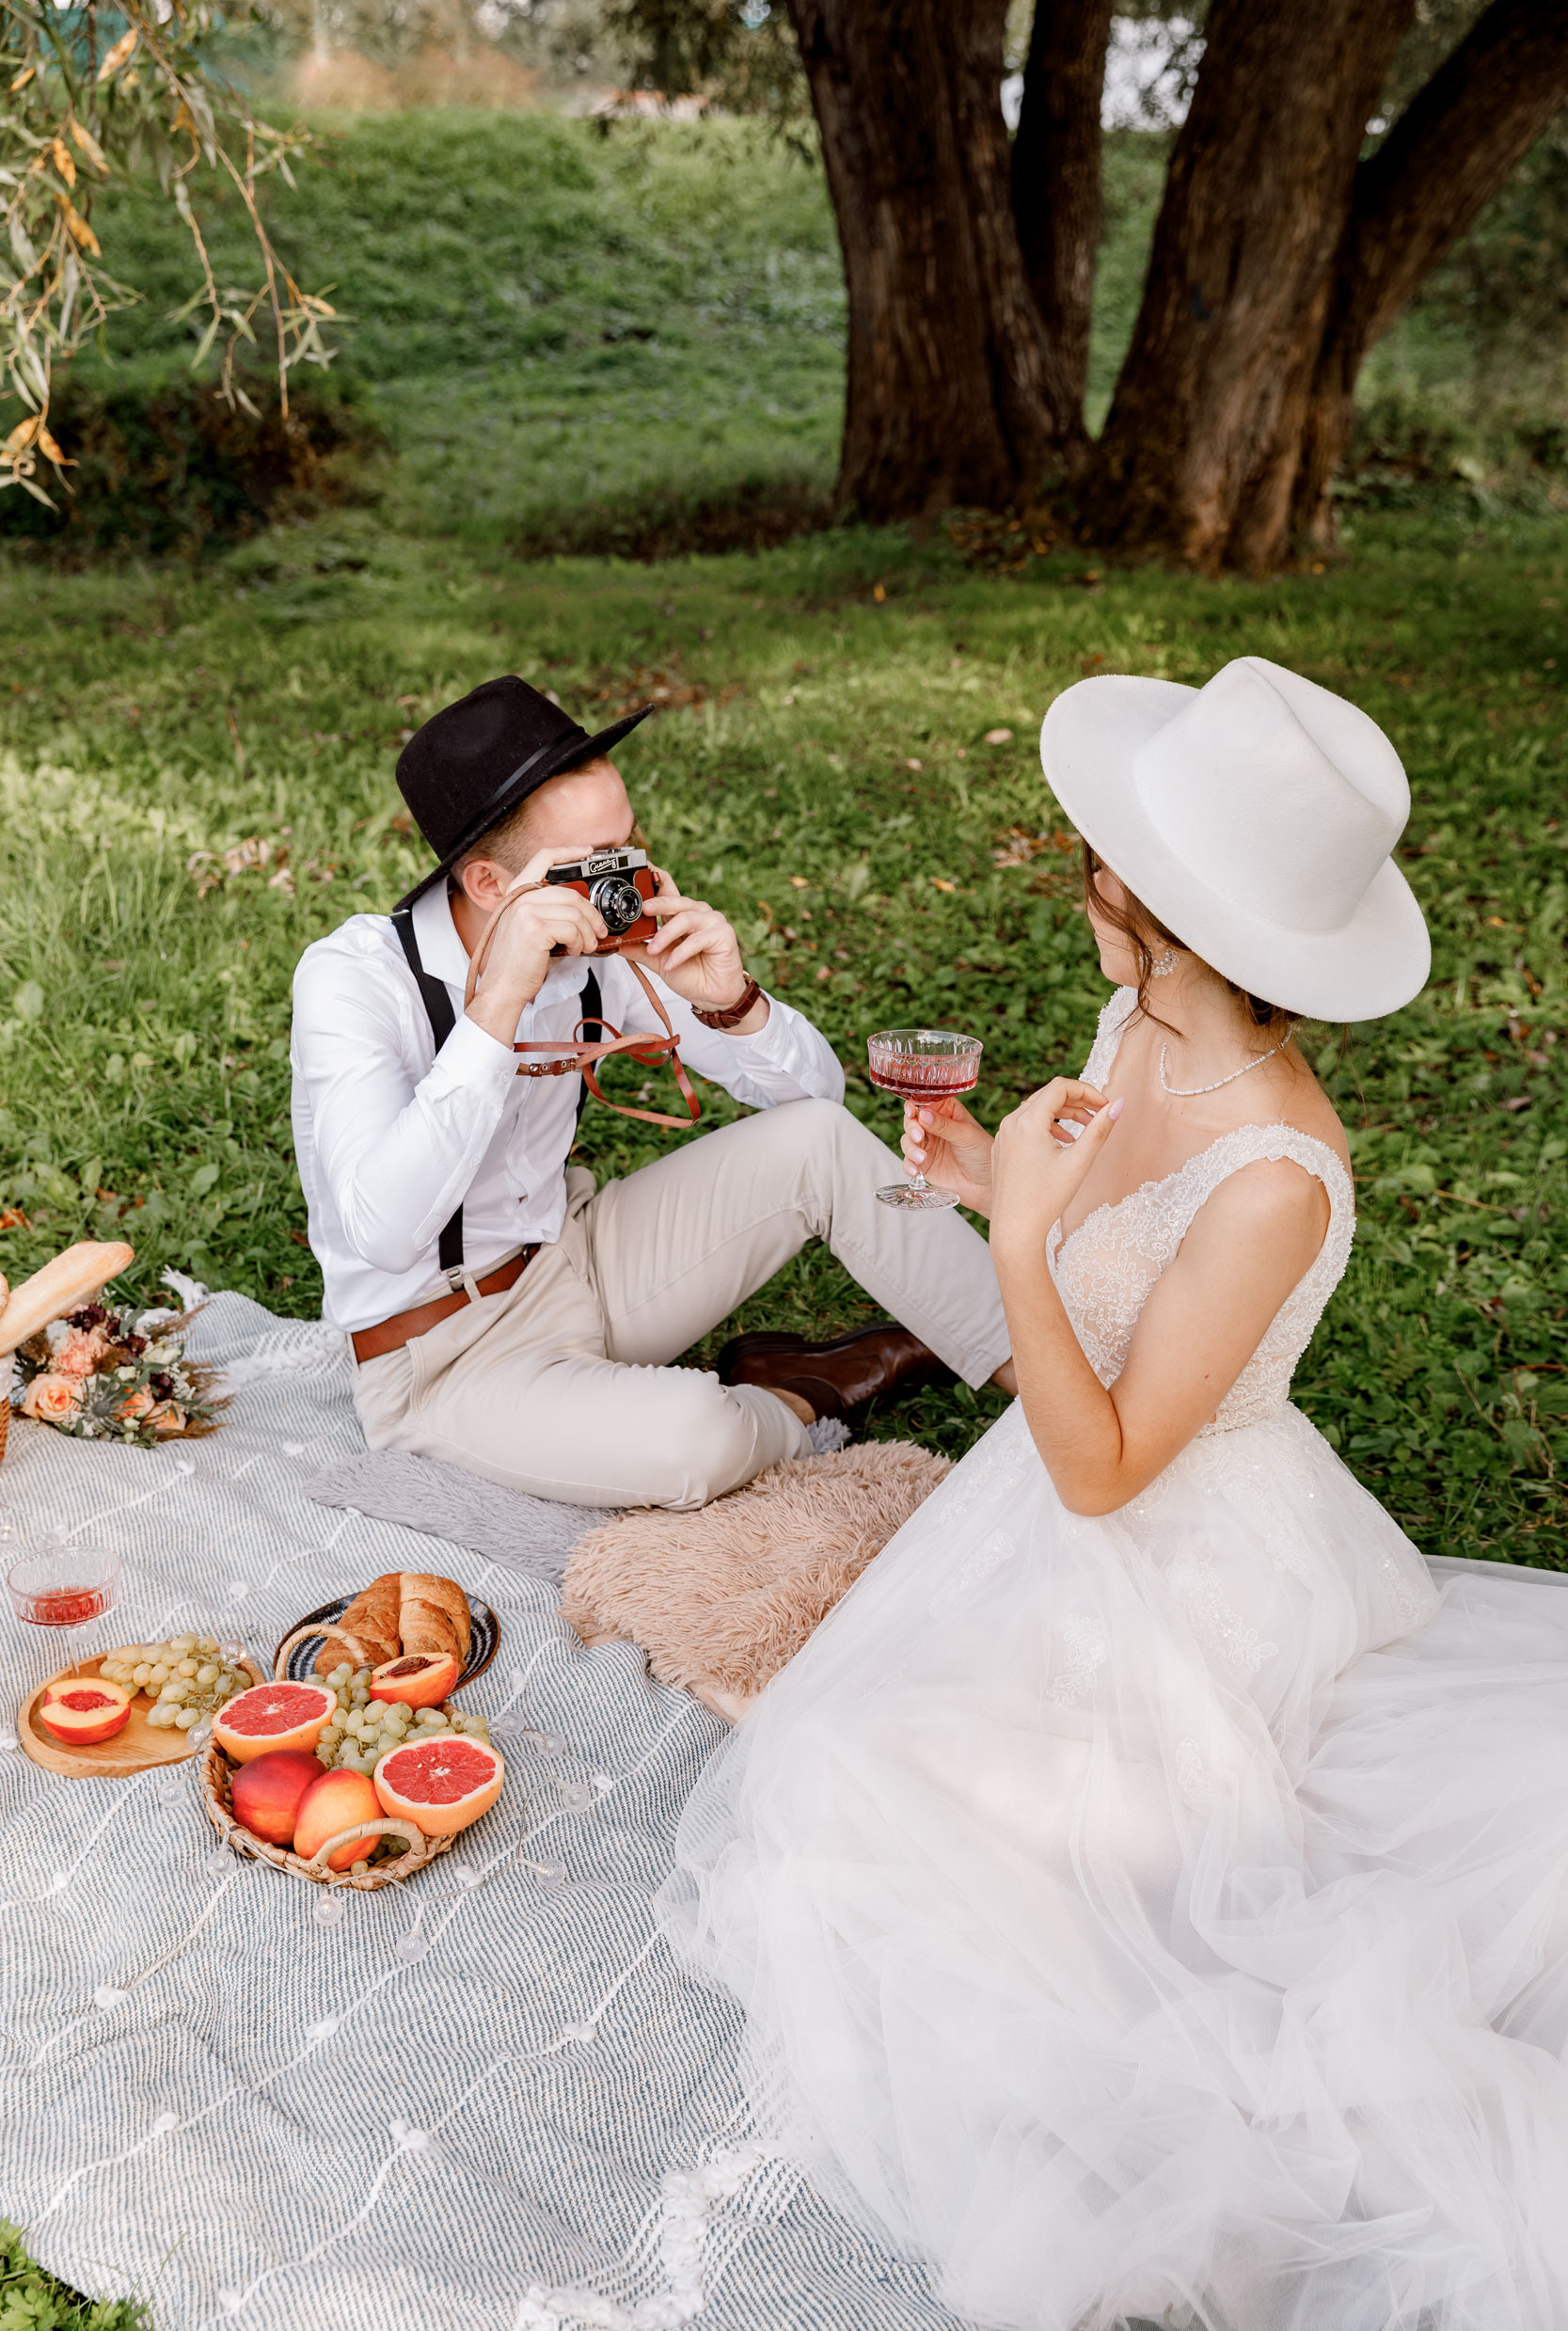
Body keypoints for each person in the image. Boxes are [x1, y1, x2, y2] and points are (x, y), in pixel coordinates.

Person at [661, 656, 1568, 2331]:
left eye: (1105, 854)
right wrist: (995, 1177)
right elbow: (1080, 1244)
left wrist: (1009, 1244)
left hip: (1178, 1555)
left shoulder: (1278, 1178)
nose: (1077, 865)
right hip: (1052, 1506)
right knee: (852, 1776)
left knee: (918, 1837)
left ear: (1162, 909)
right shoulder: (1133, 1024)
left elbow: (1101, 1468)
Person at [290, 675, 1013, 1509]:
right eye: (592, 866)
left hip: (579, 1258)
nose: (625, 879)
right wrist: (495, 1010)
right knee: (692, 1441)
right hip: (445, 1355)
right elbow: (379, 1231)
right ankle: (807, 1393)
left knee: (815, 1142)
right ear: (490, 885)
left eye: (629, 845)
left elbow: (817, 1105)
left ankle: (1043, 1377)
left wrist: (729, 1000)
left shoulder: (603, 942)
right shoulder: (355, 980)